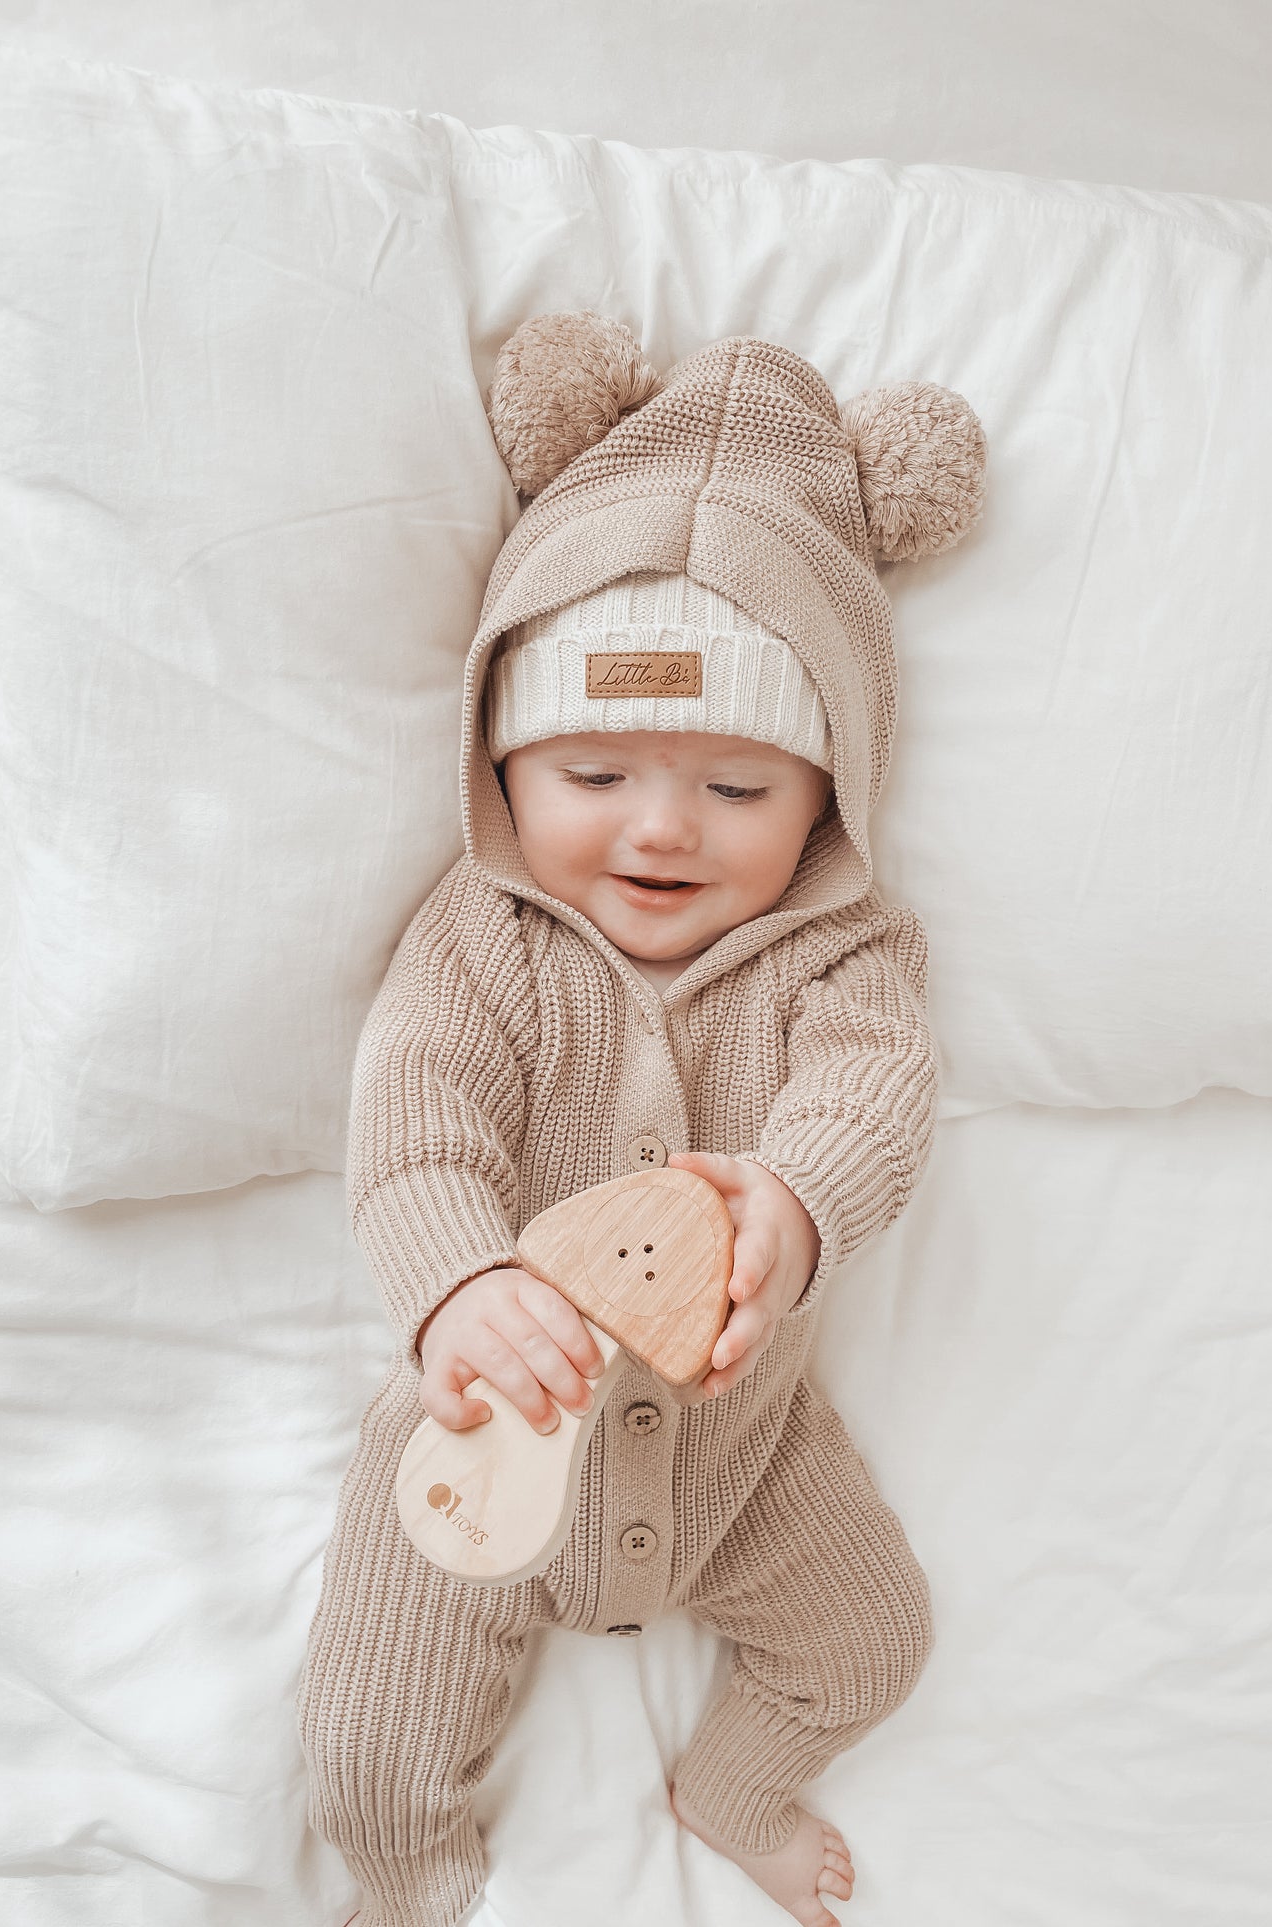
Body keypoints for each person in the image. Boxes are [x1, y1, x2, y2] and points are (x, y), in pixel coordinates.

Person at [298, 311, 987, 1927]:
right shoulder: (481, 943)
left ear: (832, 789)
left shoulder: (843, 951)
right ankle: (410, 1876)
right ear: (500, 760)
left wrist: (795, 1200)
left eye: (739, 789)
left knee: (874, 1641)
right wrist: (463, 1288)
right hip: (479, 1444)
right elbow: (413, 1127)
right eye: (593, 769)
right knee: (362, 1747)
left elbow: (877, 1089)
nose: (663, 829)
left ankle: (730, 1785)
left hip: (746, 1461)